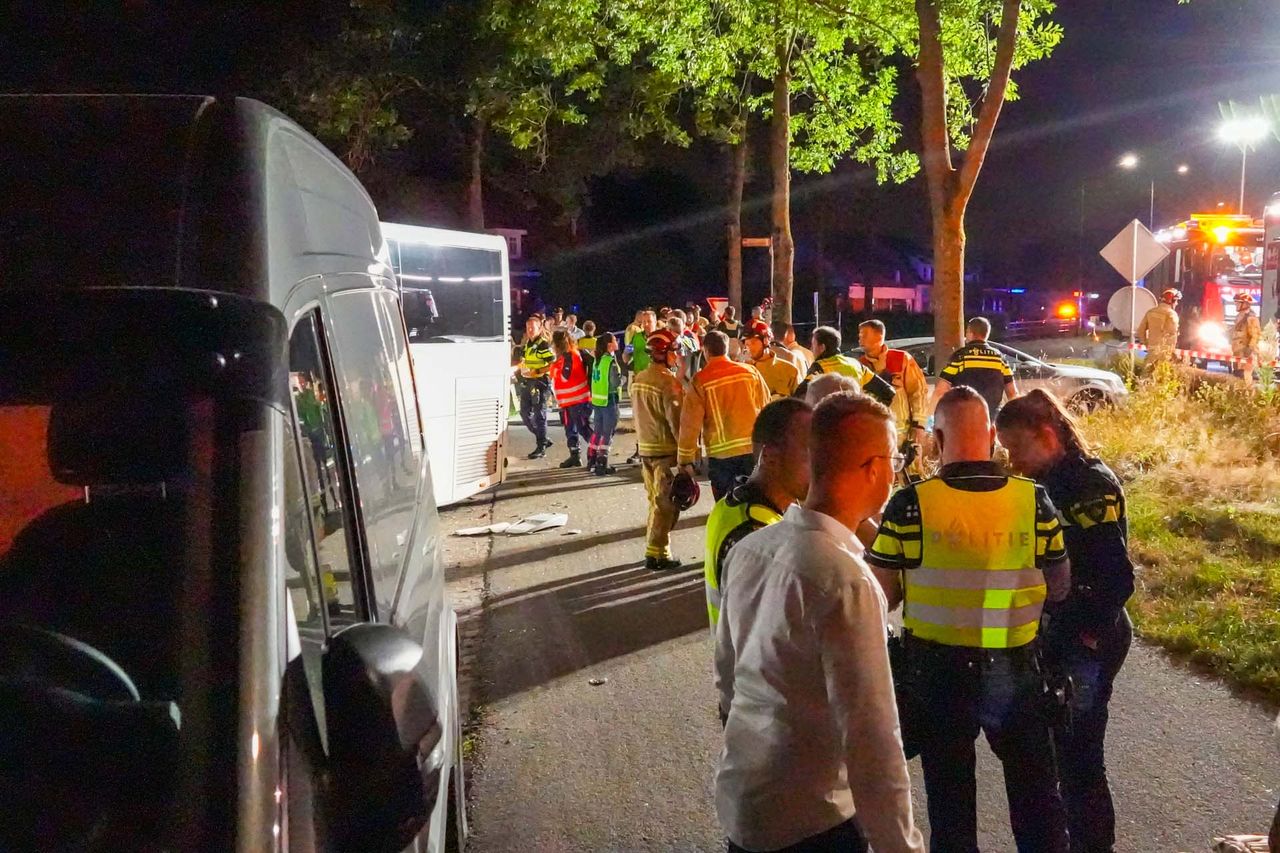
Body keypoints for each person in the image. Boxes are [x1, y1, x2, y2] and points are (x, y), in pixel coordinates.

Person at [715, 392, 925, 853]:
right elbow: (872, 740)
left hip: (747, 808)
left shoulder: (751, 550)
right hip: (813, 821)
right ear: (874, 468)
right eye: (895, 458)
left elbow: (729, 679)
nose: (897, 470)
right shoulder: (847, 581)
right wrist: (901, 845)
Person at [867, 387, 1071, 853]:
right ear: (993, 434)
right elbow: (1058, 586)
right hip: (1018, 671)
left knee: (951, 809)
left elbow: (882, 596)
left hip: (937, 676)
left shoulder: (910, 505)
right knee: (1037, 802)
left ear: (936, 439)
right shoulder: (1033, 501)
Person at [996, 389, 1135, 853]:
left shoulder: (1088, 486)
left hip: (1090, 635)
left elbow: (1115, 579)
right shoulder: (1048, 484)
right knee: (1058, 756)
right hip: (1065, 635)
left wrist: (1086, 640)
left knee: (1079, 762)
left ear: (1047, 434)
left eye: (1017, 449)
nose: (1013, 461)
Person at [704, 397, 812, 628]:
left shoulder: (733, 504)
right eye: (809, 453)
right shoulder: (757, 536)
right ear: (770, 457)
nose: (820, 465)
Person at [678, 330, 771, 500]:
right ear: (727, 349)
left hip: (721, 458)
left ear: (705, 351)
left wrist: (685, 460)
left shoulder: (701, 380)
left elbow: (690, 425)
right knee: (755, 504)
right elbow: (766, 407)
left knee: (726, 507)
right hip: (753, 451)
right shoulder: (751, 372)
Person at [631, 332, 685, 570]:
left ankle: (655, 550)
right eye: (675, 351)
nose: (678, 356)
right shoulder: (668, 383)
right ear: (664, 354)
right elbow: (676, 423)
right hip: (665, 453)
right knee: (667, 506)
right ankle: (657, 554)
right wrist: (687, 454)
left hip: (645, 450)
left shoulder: (639, 378)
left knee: (655, 503)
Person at [930, 316, 1019, 419]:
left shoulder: (960, 357)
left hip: (964, 420)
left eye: (967, 332)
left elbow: (940, 391)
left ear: (970, 333)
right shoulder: (999, 359)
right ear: (987, 334)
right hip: (990, 421)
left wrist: (929, 421)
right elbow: (1012, 393)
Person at [858, 319, 928, 448]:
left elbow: (918, 391)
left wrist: (919, 425)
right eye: (859, 335)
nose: (860, 339)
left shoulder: (901, 359)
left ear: (879, 336)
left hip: (901, 436)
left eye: (864, 335)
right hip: (873, 434)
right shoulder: (859, 365)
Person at [800, 325, 894, 406]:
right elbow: (889, 392)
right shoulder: (856, 364)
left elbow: (799, 398)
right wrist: (871, 413)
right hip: (856, 421)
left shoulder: (819, 367)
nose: (811, 349)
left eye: (813, 345)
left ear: (822, 347)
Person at [550, 330, 595, 468]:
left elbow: (565, 376)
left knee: (583, 429)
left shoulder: (570, 355)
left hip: (578, 400)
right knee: (570, 429)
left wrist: (553, 369)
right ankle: (575, 456)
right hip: (567, 402)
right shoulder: (564, 357)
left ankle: (599, 453)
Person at [515, 314, 556, 459]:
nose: (530, 330)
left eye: (533, 328)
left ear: (539, 328)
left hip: (540, 382)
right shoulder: (528, 344)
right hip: (527, 382)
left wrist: (538, 371)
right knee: (524, 413)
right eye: (528, 328)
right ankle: (543, 438)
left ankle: (541, 447)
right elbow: (525, 362)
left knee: (540, 415)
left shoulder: (543, 344)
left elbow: (553, 363)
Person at [587, 332, 622, 475]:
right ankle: (602, 463)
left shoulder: (597, 360)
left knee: (597, 431)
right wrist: (623, 380)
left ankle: (591, 459)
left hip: (598, 401)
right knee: (607, 434)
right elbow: (615, 382)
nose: (617, 342)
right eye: (615, 340)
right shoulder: (611, 362)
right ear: (610, 345)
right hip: (609, 400)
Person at [743, 326, 803, 399]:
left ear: (766, 341)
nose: (750, 348)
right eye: (747, 344)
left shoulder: (789, 371)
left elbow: (800, 402)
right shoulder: (743, 371)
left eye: (753, 343)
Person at [1136, 288, 1180, 366]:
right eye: (1176, 301)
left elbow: (1140, 331)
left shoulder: (1151, 312)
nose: (1177, 304)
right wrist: (1173, 352)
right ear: (1172, 301)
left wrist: (1147, 344)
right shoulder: (1171, 314)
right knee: (1161, 375)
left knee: (1148, 372)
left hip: (1151, 349)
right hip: (1164, 352)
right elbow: (1172, 334)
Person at [1231, 292, 1261, 382]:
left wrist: (1249, 349)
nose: (1236, 305)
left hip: (1245, 354)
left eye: (1238, 303)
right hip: (1238, 353)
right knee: (1237, 376)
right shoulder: (1239, 316)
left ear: (1245, 304)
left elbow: (1255, 335)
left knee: (1245, 377)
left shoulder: (1250, 318)